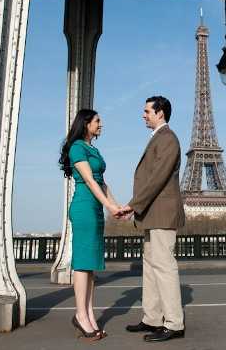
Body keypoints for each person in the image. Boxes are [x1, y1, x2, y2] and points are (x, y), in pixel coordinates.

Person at [119, 96, 186, 342]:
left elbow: (157, 178)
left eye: (147, 111)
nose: (143, 114)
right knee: (150, 267)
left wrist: (132, 205)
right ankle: (153, 318)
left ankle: (174, 323)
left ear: (161, 113)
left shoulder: (168, 138)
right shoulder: (159, 138)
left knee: (164, 268)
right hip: (152, 213)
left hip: (161, 213)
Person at [59, 109, 121, 341]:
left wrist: (116, 206)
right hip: (84, 207)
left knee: (90, 265)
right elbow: (88, 180)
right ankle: (80, 315)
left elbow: (102, 183)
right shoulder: (77, 147)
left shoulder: (93, 149)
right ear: (85, 124)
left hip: (94, 208)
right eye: (97, 121)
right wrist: (109, 206)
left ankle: (89, 314)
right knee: (83, 264)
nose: (101, 124)